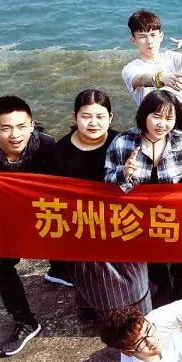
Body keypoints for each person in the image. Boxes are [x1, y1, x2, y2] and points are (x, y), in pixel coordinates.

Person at [0, 95, 57, 356]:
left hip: (42, 210)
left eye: (21, 126)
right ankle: (25, 322)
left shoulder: (46, 145)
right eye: (6, 128)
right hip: (6, 216)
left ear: (32, 125)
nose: (15, 135)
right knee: (0, 261)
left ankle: (60, 269)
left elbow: (65, 187)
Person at [51, 89, 151, 321]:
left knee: (130, 276)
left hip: (119, 218)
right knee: (86, 273)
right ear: (74, 117)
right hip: (80, 222)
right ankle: (88, 304)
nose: (93, 123)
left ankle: (135, 313)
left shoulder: (122, 143)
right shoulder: (61, 150)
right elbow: (52, 192)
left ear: (111, 117)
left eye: (100, 116)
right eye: (86, 116)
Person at [104, 90, 182, 305]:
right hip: (139, 214)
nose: (162, 124)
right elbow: (107, 182)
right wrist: (124, 173)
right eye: (156, 116)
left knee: (181, 249)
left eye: (169, 118)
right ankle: (162, 283)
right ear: (144, 114)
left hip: (173, 213)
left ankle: (181, 282)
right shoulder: (123, 142)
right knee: (151, 251)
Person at [121, 9, 182, 107]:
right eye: (142, 37)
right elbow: (141, 79)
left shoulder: (171, 57)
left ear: (161, 36)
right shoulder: (131, 68)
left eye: (153, 35)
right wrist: (160, 78)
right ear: (133, 40)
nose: (149, 41)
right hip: (154, 115)